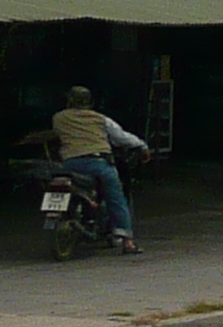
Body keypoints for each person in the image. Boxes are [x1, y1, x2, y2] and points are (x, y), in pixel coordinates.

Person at [43, 85, 152, 251]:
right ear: (89, 102)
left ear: (69, 101)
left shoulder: (58, 118)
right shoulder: (101, 119)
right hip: (99, 164)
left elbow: (60, 134)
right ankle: (127, 242)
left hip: (70, 165)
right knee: (116, 199)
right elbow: (121, 137)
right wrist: (142, 146)